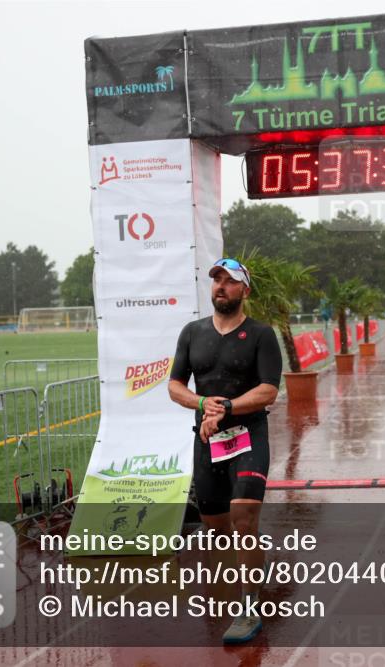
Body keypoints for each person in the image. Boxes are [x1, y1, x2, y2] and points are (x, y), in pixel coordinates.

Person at [167, 257, 282, 644]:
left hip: (249, 435)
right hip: (207, 440)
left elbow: (269, 390)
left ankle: (248, 608)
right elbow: (175, 385)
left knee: (243, 520)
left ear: (244, 290)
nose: (221, 286)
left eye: (230, 281)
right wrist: (203, 405)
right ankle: (252, 562)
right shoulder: (192, 333)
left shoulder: (262, 334)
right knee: (218, 531)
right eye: (216, 279)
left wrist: (228, 407)